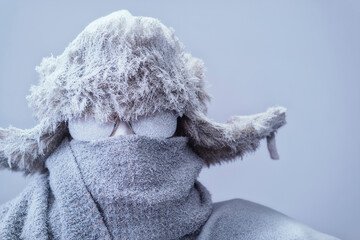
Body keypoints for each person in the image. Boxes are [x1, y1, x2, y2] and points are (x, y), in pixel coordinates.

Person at [0, 10, 339, 240]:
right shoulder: (17, 224)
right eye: (98, 119)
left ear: (180, 125)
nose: (124, 138)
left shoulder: (240, 227)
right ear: (65, 127)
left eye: (148, 117)